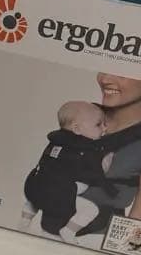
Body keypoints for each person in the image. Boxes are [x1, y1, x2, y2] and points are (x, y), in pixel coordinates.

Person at [63, 74, 141, 241]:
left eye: (123, 73)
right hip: (40, 224)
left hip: (90, 241)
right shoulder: (84, 115)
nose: (105, 79)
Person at [21, 100, 114, 236]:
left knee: (34, 200)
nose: (104, 128)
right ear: (76, 129)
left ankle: (24, 220)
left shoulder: (55, 141)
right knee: (91, 209)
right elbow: (95, 175)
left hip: (33, 187)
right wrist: (106, 164)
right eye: (98, 124)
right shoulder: (88, 148)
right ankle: (68, 231)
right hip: (59, 196)